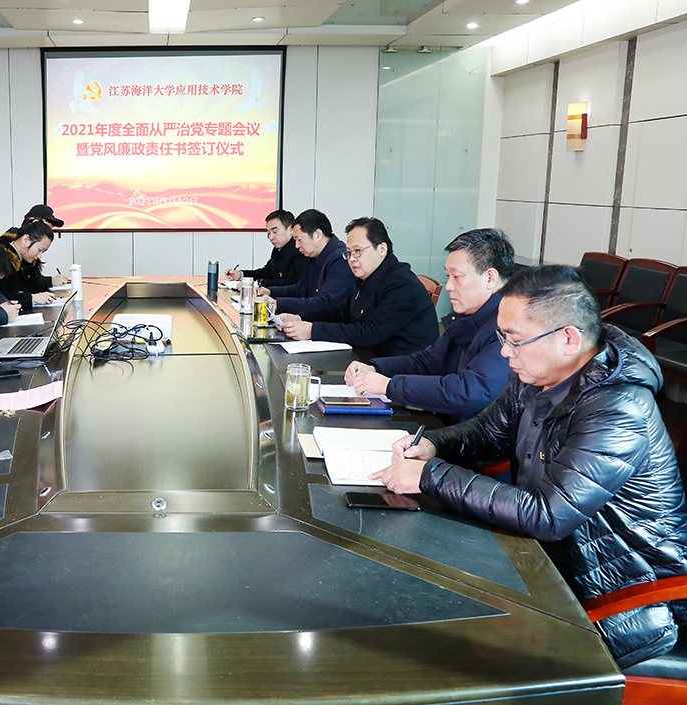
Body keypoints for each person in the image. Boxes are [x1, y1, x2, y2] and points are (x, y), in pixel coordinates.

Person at [373, 265, 687, 669]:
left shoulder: (618, 409)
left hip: (620, 597)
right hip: (547, 561)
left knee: (446, 645)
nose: (505, 352)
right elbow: (487, 431)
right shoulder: (540, 373)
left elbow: (547, 515)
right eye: (502, 338)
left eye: (515, 340)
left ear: (568, 339)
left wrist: (430, 476)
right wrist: (433, 444)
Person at [344, 228, 515, 422]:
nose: (448, 286)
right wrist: (374, 368)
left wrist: (389, 386)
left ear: (490, 278)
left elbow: (467, 392)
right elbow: (427, 362)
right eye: (448, 276)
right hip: (448, 425)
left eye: (457, 276)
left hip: (472, 435)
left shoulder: (508, 327)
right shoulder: (468, 316)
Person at [275, 217, 438, 356]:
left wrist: (312, 330)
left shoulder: (401, 284)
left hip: (400, 369)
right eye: (349, 252)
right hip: (369, 356)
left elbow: (370, 333)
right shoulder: (368, 275)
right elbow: (342, 310)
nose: (352, 259)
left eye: (358, 251)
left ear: (382, 249)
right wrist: (300, 318)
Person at [255, 209, 354, 318]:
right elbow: (300, 289)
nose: (297, 246)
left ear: (318, 235)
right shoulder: (312, 255)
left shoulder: (340, 259)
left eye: (299, 239)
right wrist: (270, 292)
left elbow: (325, 303)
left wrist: (278, 304)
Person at [0, 220, 66, 312]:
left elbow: (30, 284)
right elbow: (0, 296)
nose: (39, 256)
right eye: (39, 250)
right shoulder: (1, 258)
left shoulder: (23, 258)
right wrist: (32, 298)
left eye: (43, 252)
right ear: (26, 240)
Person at [225, 210, 304, 288]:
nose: (271, 237)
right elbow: (266, 273)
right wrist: (241, 275)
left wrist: (257, 284)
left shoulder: (299, 250)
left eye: (275, 231)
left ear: (291, 230)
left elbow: (291, 283)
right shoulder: (278, 250)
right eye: (268, 233)